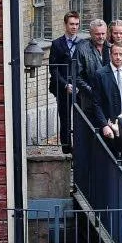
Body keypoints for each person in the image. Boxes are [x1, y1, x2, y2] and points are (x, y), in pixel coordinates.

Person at [47, 11, 82, 153]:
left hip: (79, 86)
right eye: (71, 24)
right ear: (65, 25)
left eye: (77, 24)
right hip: (63, 87)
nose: (74, 27)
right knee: (65, 118)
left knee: (80, 119)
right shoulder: (57, 44)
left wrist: (79, 85)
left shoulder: (82, 43)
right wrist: (64, 85)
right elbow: (53, 69)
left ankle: (80, 149)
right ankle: (67, 150)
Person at [93, 43, 122, 131]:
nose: (118, 57)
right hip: (110, 124)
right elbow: (96, 103)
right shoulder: (100, 74)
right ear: (110, 55)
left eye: (121, 54)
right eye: (115, 54)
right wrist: (104, 124)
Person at [74, 19, 109, 114]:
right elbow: (76, 77)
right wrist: (93, 92)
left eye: (103, 33)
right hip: (90, 100)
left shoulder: (111, 48)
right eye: (97, 34)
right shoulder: (82, 49)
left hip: (109, 99)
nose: (101, 37)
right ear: (90, 33)